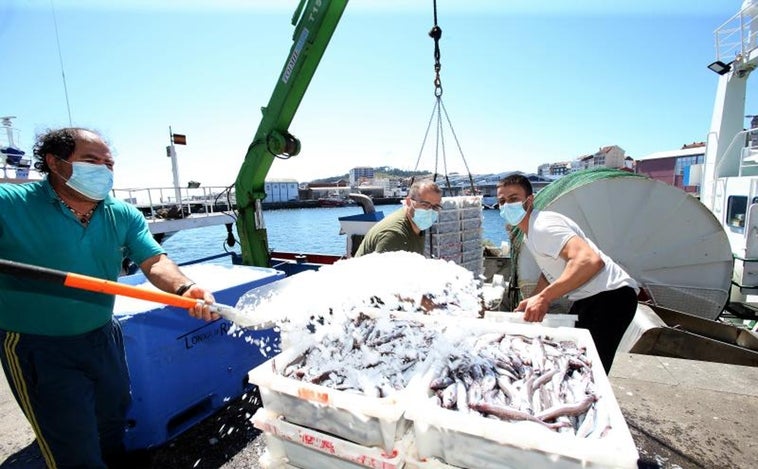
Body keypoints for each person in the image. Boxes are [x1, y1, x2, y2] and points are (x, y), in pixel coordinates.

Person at [0, 128, 219, 469]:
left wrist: (186, 289)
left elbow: (154, 260)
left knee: (113, 421)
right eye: (91, 161)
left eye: (108, 163)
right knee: (73, 446)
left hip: (103, 336)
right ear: (55, 163)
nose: (103, 170)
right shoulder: (10, 204)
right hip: (37, 347)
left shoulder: (122, 214)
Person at [496, 174, 638, 373]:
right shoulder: (531, 233)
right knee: (572, 356)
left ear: (529, 200)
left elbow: (589, 261)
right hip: (588, 297)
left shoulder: (543, 227)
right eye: (501, 201)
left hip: (611, 297)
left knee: (588, 369)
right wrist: (535, 297)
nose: (506, 206)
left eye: (513, 199)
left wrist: (545, 298)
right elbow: (551, 269)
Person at [354, 180, 442, 256]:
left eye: (435, 207)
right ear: (408, 202)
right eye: (425, 205)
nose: (430, 211)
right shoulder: (395, 235)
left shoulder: (418, 225)